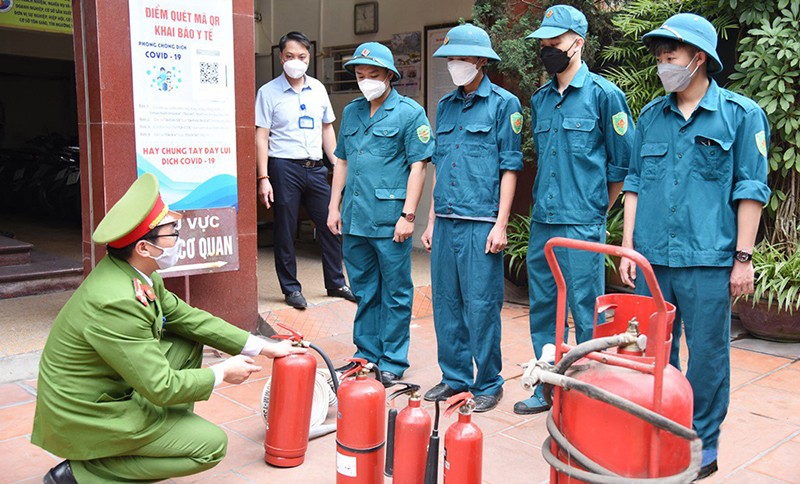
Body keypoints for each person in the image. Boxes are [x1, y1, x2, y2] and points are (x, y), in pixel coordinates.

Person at [33, 173, 307, 483]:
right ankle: (80, 473)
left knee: (188, 338)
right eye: (171, 232)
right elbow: (160, 386)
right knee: (210, 447)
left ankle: (159, 434)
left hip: (111, 388)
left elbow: (190, 318)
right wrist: (221, 372)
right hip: (88, 413)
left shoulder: (137, 272)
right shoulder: (117, 301)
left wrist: (262, 345)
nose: (178, 237)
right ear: (144, 248)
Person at [618, 13, 770, 479]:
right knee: (652, 352)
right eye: (660, 58)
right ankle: (662, 428)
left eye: (671, 57)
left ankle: (703, 444)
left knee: (707, 358)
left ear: (698, 59)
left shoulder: (741, 115)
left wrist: (742, 258)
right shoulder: (650, 115)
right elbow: (636, 182)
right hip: (652, 260)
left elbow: (750, 189)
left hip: (707, 261)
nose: (663, 65)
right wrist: (627, 246)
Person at [515, 5, 634, 415]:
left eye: (556, 41)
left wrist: (598, 205)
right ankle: (546, 386)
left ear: (578, 42)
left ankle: (585, 390)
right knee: (545, 307)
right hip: (543, 221)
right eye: (543, 43)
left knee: (586, 307)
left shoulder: (605, 95)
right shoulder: (541, 99)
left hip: (582, 222)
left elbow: (623, 165)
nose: (547, 48)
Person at [420, 24, 523, 412]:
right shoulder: (445, 106)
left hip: (481, 223)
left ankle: (489, 382)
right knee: (446, 304)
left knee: (481, 306)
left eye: (461, 58)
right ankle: (454, 378)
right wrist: (430, 221)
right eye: (451, 58)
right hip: (445, 220)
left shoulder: (503, 104)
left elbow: (510, 168)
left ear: (480, 60)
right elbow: (439, 165)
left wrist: (501, 223)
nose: (454, 65)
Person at [327, 42, 434, 385]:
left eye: (373, 75)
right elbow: (341, 160)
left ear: (389, 75)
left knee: (396, 292)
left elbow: (419, 167)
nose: (366, 81)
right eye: (360, 75)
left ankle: (392, 359)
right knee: (364, 290)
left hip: (390, 219)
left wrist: (408, 216)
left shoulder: (409, 113)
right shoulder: (352, 112)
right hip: (356, 217)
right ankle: (366, 353)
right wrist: (334, 205)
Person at [255, 31, 355, 309]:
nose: (295, 62)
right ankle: (291, 289)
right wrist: (263, 177)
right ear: (280, 57)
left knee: (331, 224)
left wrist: (336, 164)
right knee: (285, 230)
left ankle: (336, 282)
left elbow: (327, 129)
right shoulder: (268, 92)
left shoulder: (319, 89)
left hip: (317, 167)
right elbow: (261, 137)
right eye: (289, 57)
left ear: (309, 58)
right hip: (284, 167)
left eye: (301, 57)